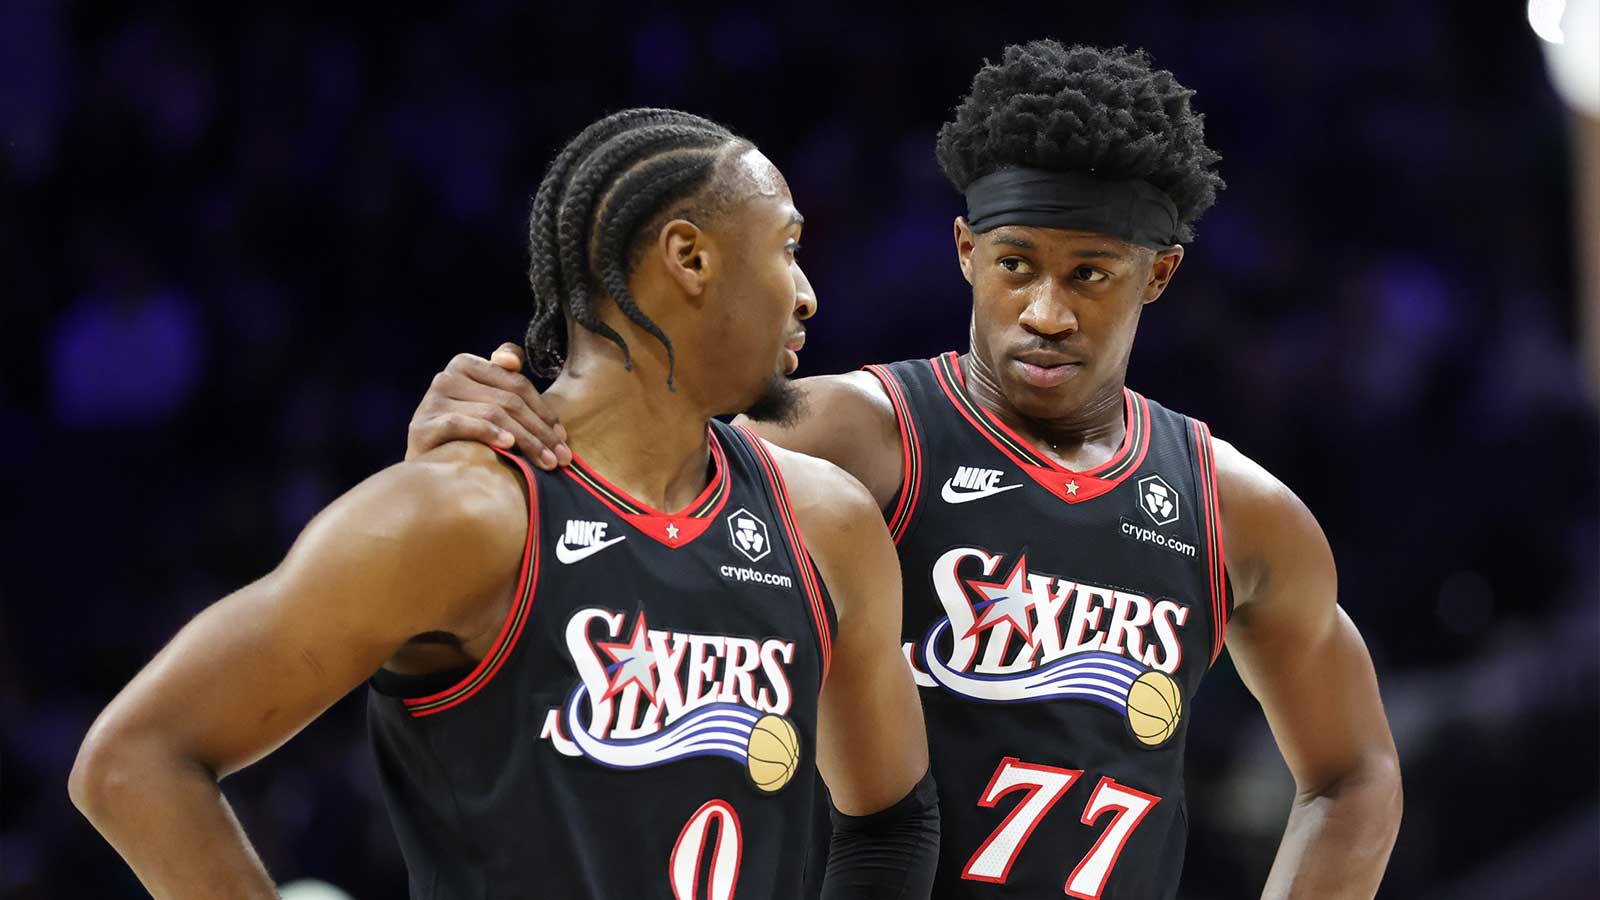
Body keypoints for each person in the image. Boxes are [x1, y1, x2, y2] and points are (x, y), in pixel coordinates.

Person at [409, 43, 1404, 899]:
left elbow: (1353, 773)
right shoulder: (854, 431)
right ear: (966, 252)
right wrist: (477, 421)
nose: (1047, 311)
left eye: (1089, 274)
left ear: (1159, 273)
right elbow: (607, 461)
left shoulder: (1231, 507)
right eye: (1016, 264)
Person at [69, 108, 940, 900]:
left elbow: (892, 821)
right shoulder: (460, 515)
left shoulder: (827, 521)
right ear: (690, 257)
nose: (807, 293)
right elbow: (134, 763)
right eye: (788, 247)